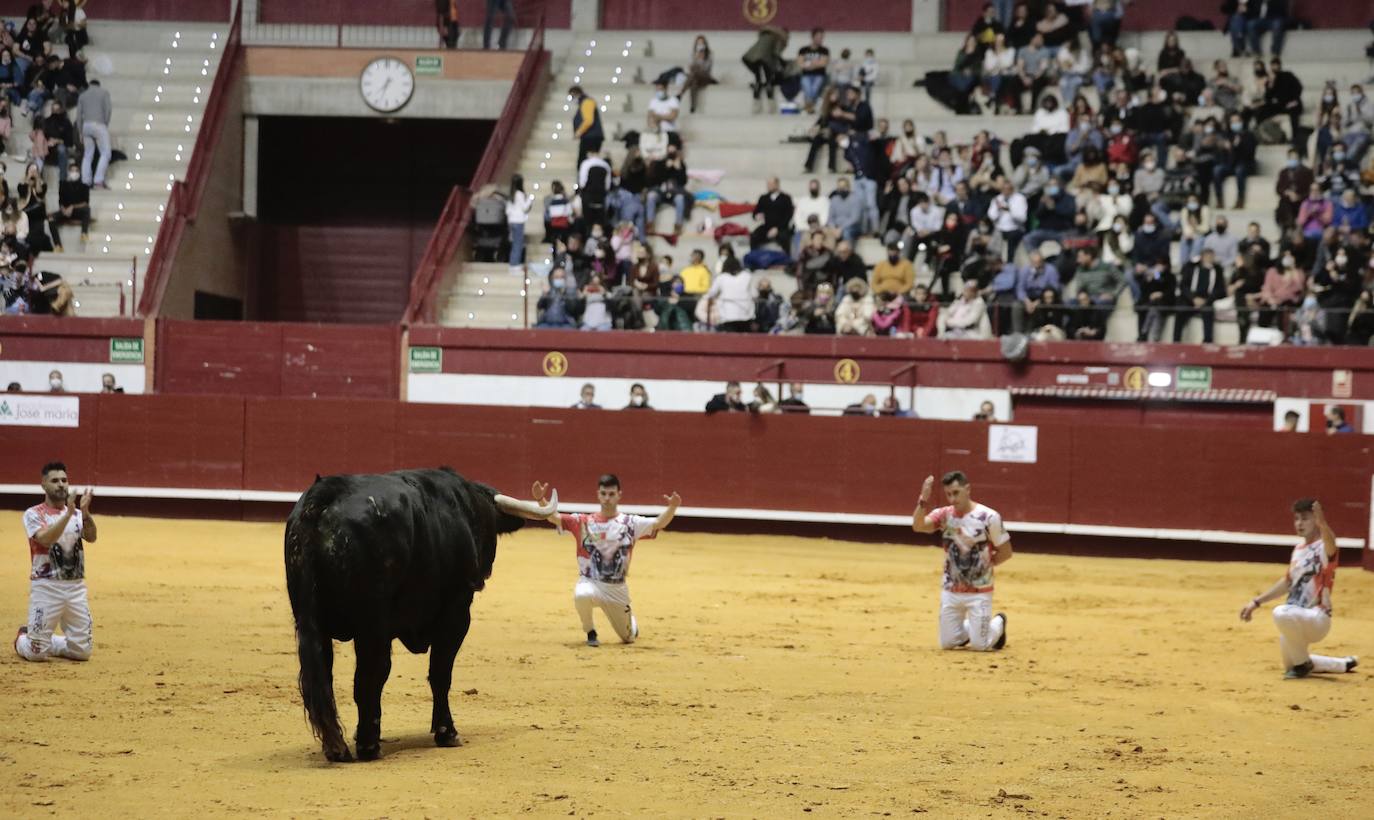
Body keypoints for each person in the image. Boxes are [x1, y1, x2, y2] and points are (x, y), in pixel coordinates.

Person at [534, 476, 679, 646]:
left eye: (611, 494)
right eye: (604, 493)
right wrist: (540, 499)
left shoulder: (630, 523)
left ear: (619, 495)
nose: (607, 498)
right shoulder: (583, 522)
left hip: (617, 590)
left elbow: (658, 523)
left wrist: (673, 507)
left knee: (628, 638)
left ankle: (631, 624)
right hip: (591, 582)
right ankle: (590, 631)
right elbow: (554, 517)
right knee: (582, 594)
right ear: (598, 495)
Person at [1239, 499, 1356, 679]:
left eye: (1305, 519)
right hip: (1296, 617)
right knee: (1291, 664)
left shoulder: (1324, 546)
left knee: (1280, 612)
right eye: (1296, 519)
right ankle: (1341, 664)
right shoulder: (1299, 549)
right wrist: (1256, 602)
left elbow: (1331, 543)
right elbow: (1288, 582)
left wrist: (1323, 523)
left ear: (1316, 520)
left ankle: (1303, 664)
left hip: (1317, 618)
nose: (1299, 523)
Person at [911, 471, 1011, 652]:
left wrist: (983, 568)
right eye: (948, 494)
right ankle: (975, 627)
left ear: (968, 489)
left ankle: (998, 623)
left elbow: (1005, 551)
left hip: (979, 591)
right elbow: (918, 526)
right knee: (948, 643)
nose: (952, 498)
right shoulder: (944, 515)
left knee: (981, 646)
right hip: (951, 589)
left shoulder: (988, 517)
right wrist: (923, 500)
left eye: (956, 493)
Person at [15, 462, 96, 661]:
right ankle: (22, 638)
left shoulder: (77, 514)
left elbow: (92, 537)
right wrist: (68, 514)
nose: (61, 484)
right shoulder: (34, 514)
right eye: (54, 481)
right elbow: (45, 539)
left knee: (82, 652)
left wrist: (85, 515)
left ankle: (47, 640)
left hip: (76, 587)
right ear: (43, 484)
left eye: (64, 480)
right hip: (46, 587)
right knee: (35, 655)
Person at [76, 78, 111, 189]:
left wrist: (80, 131)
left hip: (86, 125)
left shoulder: (83, 95)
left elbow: (78, 115)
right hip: (99, 124)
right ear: (98, 85)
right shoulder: (104, 93)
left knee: (88, 154)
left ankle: (85, 181)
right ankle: (98, 180)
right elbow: (108, 110)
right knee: (106, 153)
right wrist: (104, 124)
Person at [568, 85, 603, 172]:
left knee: (584, 164)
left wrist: (579, 132)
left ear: (575, 94)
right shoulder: (584, 102)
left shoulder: (586, 102)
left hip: (591, 138)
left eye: (572, 96)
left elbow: (588, 121)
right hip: (590, 137)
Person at [505, 175, 532, 272]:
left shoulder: (511, 194)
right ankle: (514, 264)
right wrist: (529, 200)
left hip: (512, 221)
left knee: (515, 243)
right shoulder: (519, 194)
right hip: (518, 221)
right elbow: (524, 208)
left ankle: (513, 263)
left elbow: (508, 211)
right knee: (518, 243)